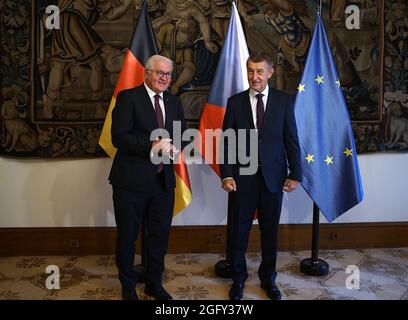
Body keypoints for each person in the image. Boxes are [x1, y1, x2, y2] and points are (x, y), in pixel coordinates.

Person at [220, 52, 302, 300]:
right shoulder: (235, 103)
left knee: (270, 233)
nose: (254, 77)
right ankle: (238, 279)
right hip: (242, 179)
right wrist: (226, 175)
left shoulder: (283, 101)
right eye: (250, 71)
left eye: (259, 71)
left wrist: (295, 173)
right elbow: (227, 143)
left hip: (273, 179)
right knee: (238, 232)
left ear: (270, 73)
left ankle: (268, 279)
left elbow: (291, 139)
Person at [109, 55, 187, 300]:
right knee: (128, 236)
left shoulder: (174, 102)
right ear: (146, 73)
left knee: (159, 236)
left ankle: (154, 283)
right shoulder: (128, 98)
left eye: (168, 74)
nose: (164, 78)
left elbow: (182, 132)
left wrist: (177, 145)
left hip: (163, 182)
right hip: (131, 182)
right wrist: (151, 145)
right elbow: (119, 137)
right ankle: (128, 286)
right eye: (159, 73)